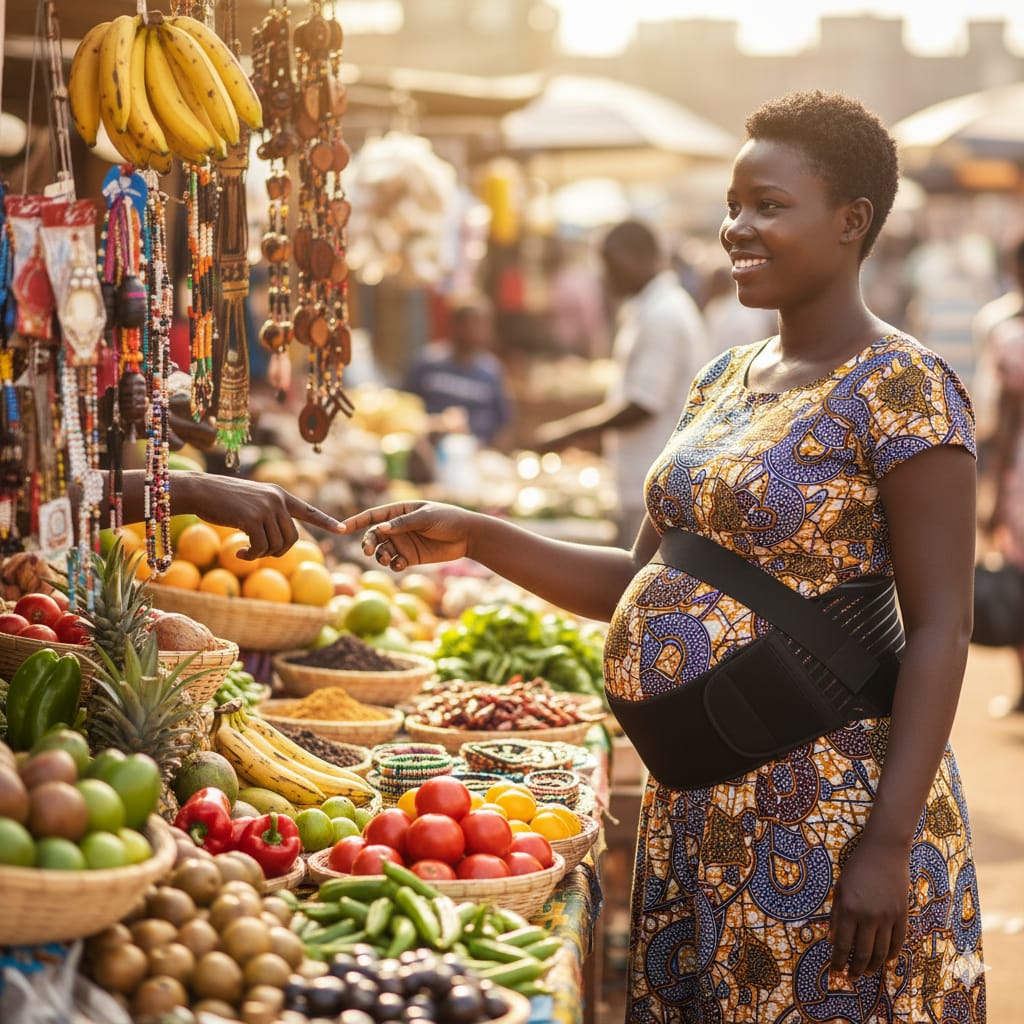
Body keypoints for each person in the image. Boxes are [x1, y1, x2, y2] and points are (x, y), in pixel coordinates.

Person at [338, 90, 985, 1023]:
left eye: (769, 205)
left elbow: (942, 629)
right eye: (733, 204)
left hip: (829, 813)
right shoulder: (722, 381)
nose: (736, 229)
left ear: (853, 223)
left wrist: (885, 845)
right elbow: (634, 584)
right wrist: (478, 534)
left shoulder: (906, 389)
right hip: (698, 815)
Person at [534, 220, 710, 545]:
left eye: (609, 263)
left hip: (655, 477)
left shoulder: (664, 314)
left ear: (635, 257)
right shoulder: (647, 308)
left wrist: (568, 432)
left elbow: (643, 404)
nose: (604, 274)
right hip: (641, 475)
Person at [403, 293, 512, 450]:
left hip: (475, 455)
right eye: (471, 322)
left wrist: (488, 452)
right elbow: (404, 406)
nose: (478, 329)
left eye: (483, 323)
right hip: (429, 451)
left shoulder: (491, 371)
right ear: (454, 325)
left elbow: (504, 424)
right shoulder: (428, 363)